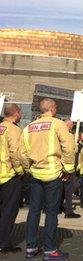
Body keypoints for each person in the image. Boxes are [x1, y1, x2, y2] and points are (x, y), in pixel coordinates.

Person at [19, 98, 75, 259]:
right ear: (52, 108)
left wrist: (29, 168)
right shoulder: (58, 124)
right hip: (53, 174)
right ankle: (50, 250)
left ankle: (31, 247)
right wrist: (68, 169)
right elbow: (69, 147)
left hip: (35, 174)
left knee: (34, 211)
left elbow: (21, 153)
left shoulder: (28, 127)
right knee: (51, 212)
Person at [0, 104, 23, 253]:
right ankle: (4, 243)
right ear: (15, 113)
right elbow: (15, 152)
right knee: (8, 211)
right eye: (20, 112)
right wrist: (20, 170)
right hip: (9, 175)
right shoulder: (14, 130)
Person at [61, 119, 80, 219]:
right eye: (72, 125)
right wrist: (66, 168)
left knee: (60, 190)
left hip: (59, 167)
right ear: (69, 125)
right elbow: (70, 152)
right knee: (68, 191)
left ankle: (57, 207)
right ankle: (69, 211)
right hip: (67, 168)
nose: (72, 127)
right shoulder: (68, 135)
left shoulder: (59, 134)